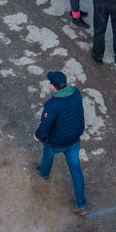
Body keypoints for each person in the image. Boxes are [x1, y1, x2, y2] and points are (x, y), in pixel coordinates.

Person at [33, 70, 86, 216]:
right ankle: (81, 204)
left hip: (56, 142)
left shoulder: (52, 104)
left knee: (47, 155)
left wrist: (37, 135)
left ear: (53, 87)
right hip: (74, 139)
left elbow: (45, 126)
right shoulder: (76, 93)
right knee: (76, 170)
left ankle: (44, 173)